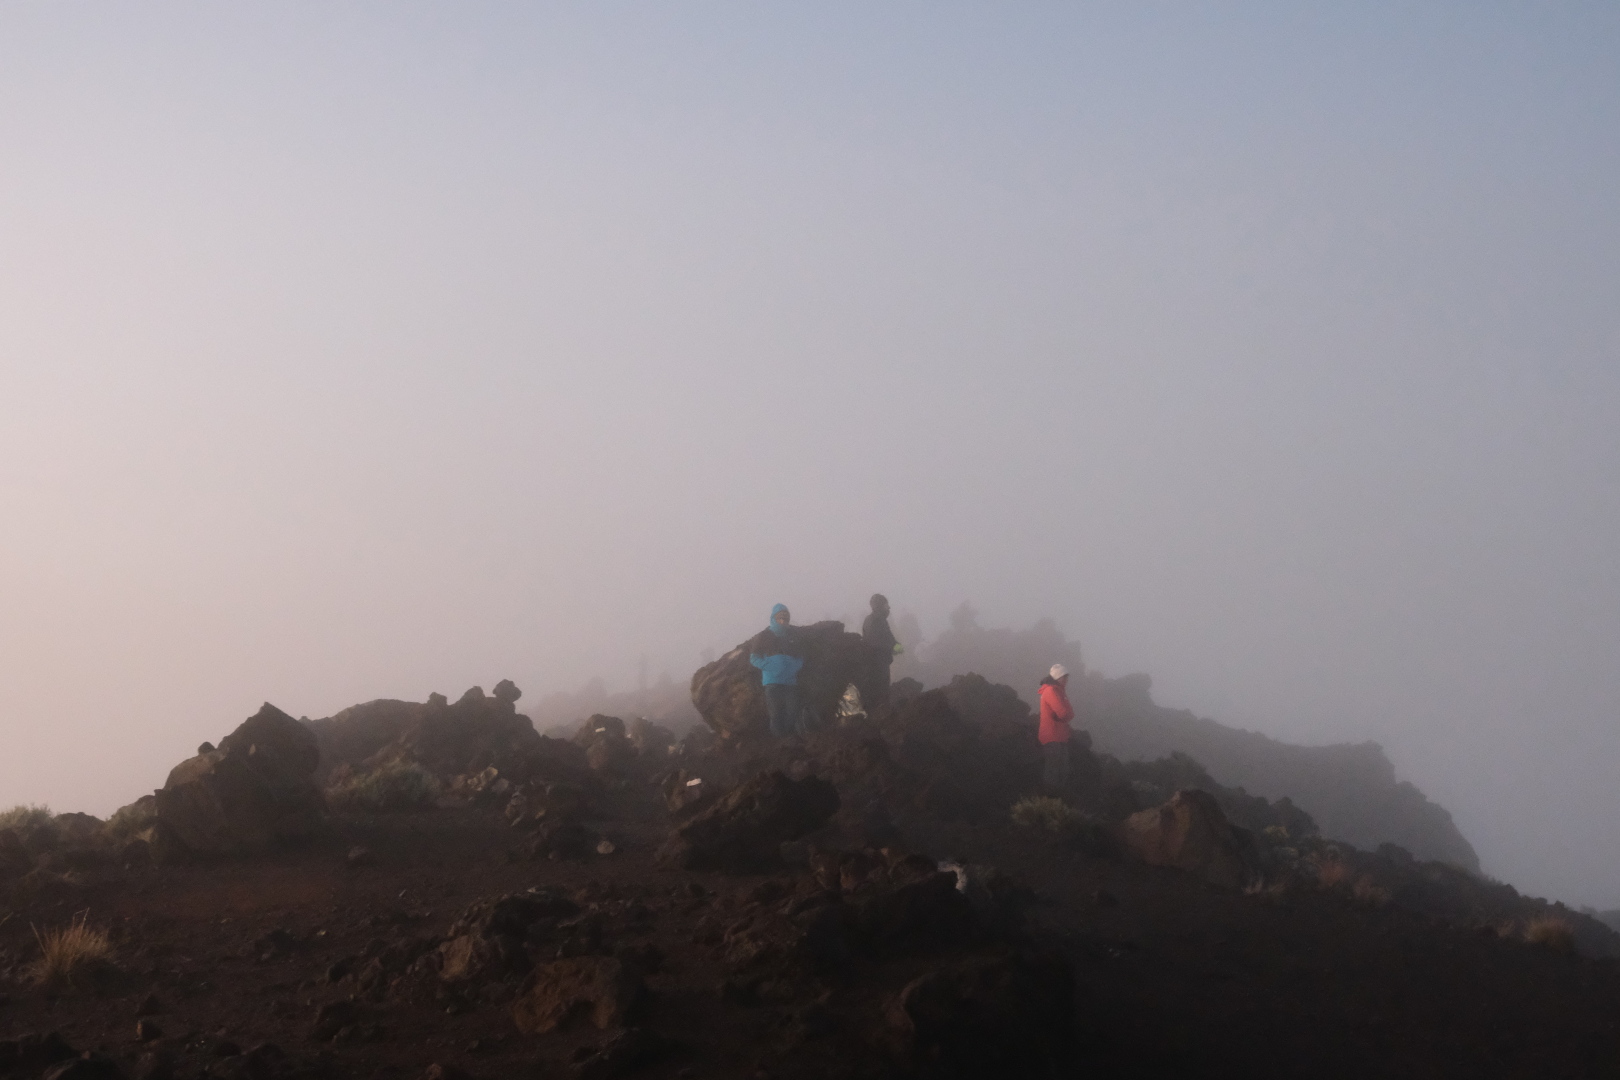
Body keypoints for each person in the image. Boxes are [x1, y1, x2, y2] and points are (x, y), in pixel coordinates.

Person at [750, 603, 807, 738]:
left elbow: (800, 657)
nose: (782, 621)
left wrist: (794, 667)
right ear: (773, 618)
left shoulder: (792, 636)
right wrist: (769, 666)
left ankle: (788, 737)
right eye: (780, 618)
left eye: (785, 619)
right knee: (775, 714)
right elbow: (754, 658)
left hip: (790, 682)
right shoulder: (764, 636)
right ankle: (779, 742)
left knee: (792, 712)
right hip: (772, 682)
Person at [1038, 664, 1076, 789]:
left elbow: (1069, 713)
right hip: (1052, 736)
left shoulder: (1058, 691)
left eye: (1066, 677)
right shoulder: (1051, 691)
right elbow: (1065, 713)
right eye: (1064, 677)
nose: (1066, 679)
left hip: (1059, 736)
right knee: (1053, 770)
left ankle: (1056, 799)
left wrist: (1066, 716)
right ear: (1058, 677)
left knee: (1062, 770)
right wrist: (1066, 716)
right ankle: (1050, 799)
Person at [861, 593, 902, 705]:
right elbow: (880, 641)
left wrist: (895, 645)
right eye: (886, 605)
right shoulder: (878, 620)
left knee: (874, 695)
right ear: (880, 606)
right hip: (879, 664)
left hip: (870, 664)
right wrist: (895, 647)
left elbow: (888, 638)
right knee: (881, 695)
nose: (888, 607)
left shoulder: (868, 619)